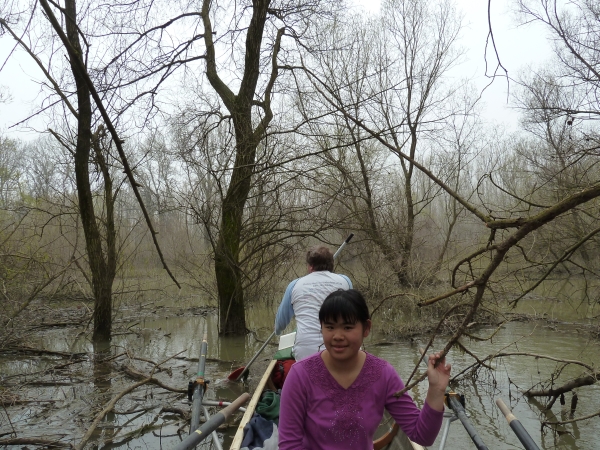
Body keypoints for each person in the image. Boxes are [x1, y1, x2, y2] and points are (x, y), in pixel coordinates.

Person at [278, 289, 451, 450]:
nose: (337, 336)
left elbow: (421, 435)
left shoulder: (382, 374)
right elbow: (288, 445)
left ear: (366, 328)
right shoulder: (301, 375)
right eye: (330, 327)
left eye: (347, 327)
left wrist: (436, 390)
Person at [274, 245, 352, 361]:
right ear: (331, 265)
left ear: (310, 266)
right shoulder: (345, 281)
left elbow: (281, 323)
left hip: (305, 352)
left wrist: (278, 331)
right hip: (341, 347)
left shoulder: (295, 285)